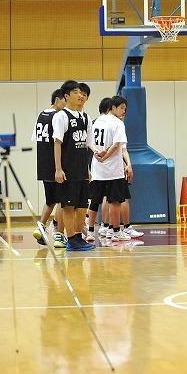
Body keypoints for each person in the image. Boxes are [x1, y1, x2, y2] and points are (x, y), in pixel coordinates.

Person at [52, 80, 94, 251]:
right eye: (75, 92)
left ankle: (78, 237)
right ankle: (70, 239)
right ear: (66, 96)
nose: (79, 95)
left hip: (82, 169)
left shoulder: (86, 117)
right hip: (67, 169)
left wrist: (88, 168)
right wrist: (58, 169)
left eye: (80, 92)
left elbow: (87, 145)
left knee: (83, 205)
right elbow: (57, 143)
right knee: (68, 206)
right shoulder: (61, 116)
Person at [87, 96, 129, 241]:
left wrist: (96, 153)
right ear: (113, 107)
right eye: (122, 108)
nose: (124, 111)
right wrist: (105, 157)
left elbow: (89, 141)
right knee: (115, 201)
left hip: (97, 169)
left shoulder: (97, 121)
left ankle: (90, 232)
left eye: (125, 108)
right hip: (113, 170)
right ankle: (115, 232)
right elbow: (117, 145)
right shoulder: (118, 123)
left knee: (94, 201)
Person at [32, 88, 67, 247]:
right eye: (65, 101)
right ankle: (59, 235)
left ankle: (40, 227)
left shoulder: (41, 115)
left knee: (50, 200)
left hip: (42, 164)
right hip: (55, 164)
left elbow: (36, 138)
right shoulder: (58, 117)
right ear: (58, 99)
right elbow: (58, 142)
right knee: (62, 201)